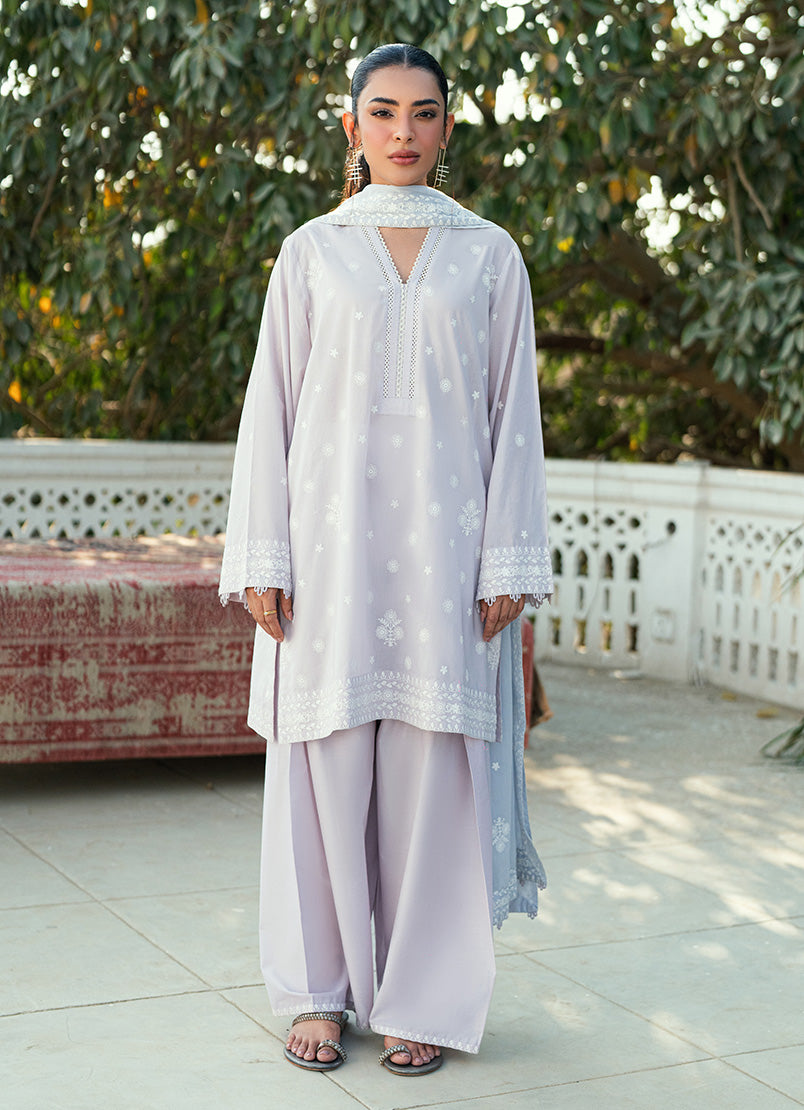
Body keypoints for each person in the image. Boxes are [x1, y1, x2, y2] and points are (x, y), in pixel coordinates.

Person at [219, 42, 553, 1076]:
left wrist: (508, 560)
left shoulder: (491, 255)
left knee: (432, 771)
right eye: (382, 111)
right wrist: (263, 552)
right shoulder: (310, 251)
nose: (403, 130)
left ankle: (423, 999)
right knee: (321, 761)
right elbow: (271, 406)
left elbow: (515, 416)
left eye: (423, 112)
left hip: (447, 553)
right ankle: (316, 989)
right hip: (327, 548)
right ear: (352, 126)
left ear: (449, 127)